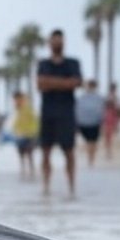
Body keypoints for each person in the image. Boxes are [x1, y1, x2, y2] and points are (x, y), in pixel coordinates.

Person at [36, 29, 81, 197]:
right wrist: (64, 83)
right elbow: (40, 84)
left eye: (59, 40)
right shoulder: (43, 64)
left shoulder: (72, 63)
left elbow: (76, 83)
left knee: (69, 151)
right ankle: (46, 187)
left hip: (66, 112)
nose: (57, 43)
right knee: (45, 150)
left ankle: (72, 188)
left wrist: (51, 82)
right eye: (54, 40)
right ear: (49, 43)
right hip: (48, 112)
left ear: (63, 42)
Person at [75, 79, 105, 167]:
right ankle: (90, 158)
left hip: (95, 122)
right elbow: (77, 110)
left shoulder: (99, 97)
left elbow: (101, 111)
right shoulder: (82, 97)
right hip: (84, 122)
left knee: (93, 141)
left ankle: (91, 158)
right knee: (89, 141)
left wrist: (101, 122)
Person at [11, 90, 38, 180]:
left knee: (29, 153)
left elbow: (34, 120)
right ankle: (24, 170)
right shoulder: (18, 107)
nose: (15, 101)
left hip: (29, 134)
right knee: (21, 154)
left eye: (16, 99)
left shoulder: (27, 106)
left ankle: (31, 171)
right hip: (20, 134)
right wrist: (15, 130)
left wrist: (34, 131)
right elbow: (17, 121)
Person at [102, 82, 120, 161]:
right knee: (108, 136)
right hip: (111, 116)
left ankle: (108, 151)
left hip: (110, 116)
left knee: (108, 136)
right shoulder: (113, 97)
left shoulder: (110, 96)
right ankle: (108, 151)